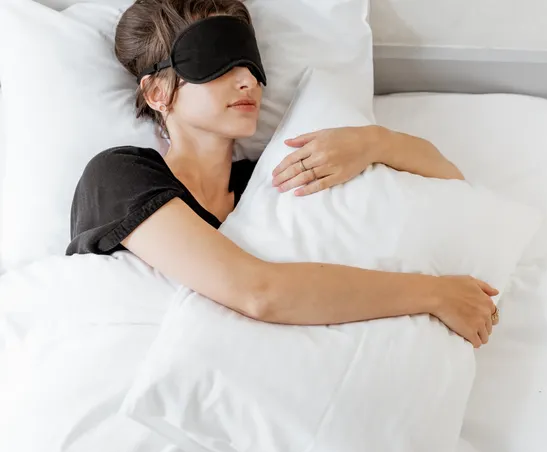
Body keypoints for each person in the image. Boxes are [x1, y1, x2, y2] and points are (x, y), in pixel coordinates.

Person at [66, 0, 499, 348]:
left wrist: (372, 142)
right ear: (158, 92)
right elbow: (259, 292)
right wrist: (434, 294)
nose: (248, 82)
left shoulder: (273, 181)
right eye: (218, 63)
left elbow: (450, 185)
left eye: (251, 65)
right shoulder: (119, 175)